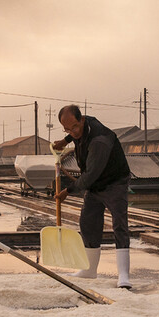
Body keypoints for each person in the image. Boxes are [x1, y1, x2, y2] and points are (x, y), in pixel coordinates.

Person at [52, 104, 132, 288]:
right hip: (95, 185)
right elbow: (74, 131)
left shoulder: (99, 141)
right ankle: (89, 270)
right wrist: (65, 141)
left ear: (82, 120)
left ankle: (123, 275)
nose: (73, 132)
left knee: (119, 224)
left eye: (74, 127)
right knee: (88, 222)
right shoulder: (81, 125)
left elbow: (89, 176)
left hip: (114, 183)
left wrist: (68, 191)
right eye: (67, 129)